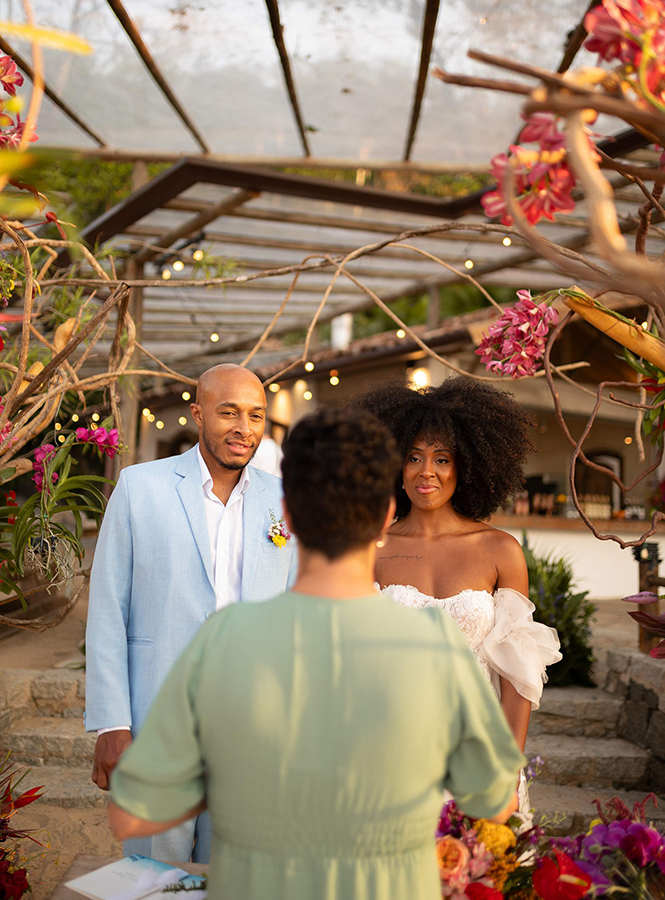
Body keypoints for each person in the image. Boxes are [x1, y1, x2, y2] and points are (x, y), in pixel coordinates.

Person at [107, 408, 525, 900]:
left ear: (286, 513)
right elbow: (496, 802)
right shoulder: (437, 645)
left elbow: (134, 810)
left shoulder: (226, 638)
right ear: (387, 514)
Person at [85, 364, 297, 863]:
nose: (243, 428)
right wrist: (112, 722)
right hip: (158, 719)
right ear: (198, 414)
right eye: (229, 412)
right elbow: (108, 610)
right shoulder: (139, 487)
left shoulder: (285, 502)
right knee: (154, 873)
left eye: (255, 415)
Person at [355, 377, 561, 803]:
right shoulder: (371, 547)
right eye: (413, 457)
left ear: (466, 466)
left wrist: (505, 768)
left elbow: (518, 676)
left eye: (442, 459)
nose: (426, 471)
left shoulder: (498, 550)